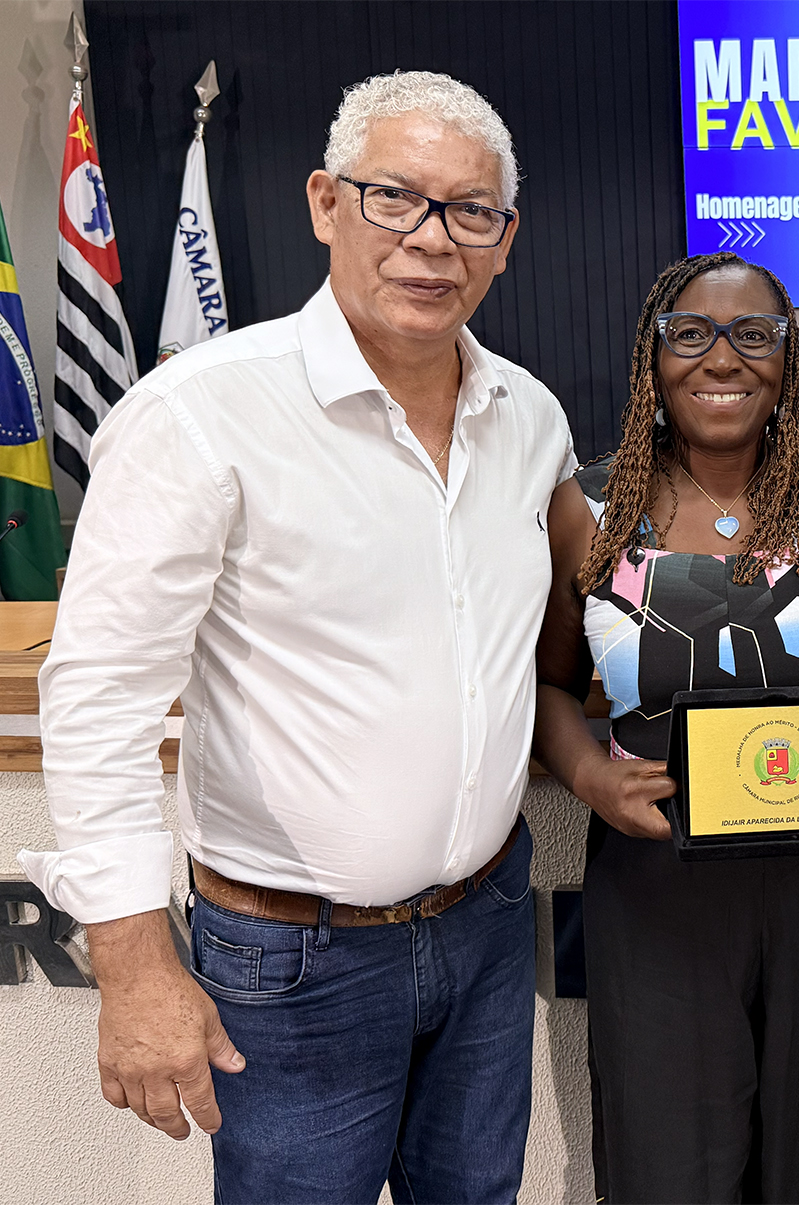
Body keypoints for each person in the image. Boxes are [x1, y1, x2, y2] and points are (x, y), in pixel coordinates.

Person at [18, 71, 573, 1203]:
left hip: (487, 922)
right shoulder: (200, 413)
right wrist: (131, 963)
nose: (432, 238)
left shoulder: (529, 415)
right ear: (326, 202)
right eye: (394, 197)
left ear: (504, 241)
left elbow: (606, 571)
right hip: (291, 960)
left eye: (470, 211)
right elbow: (98, 698)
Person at [532, 250, 799, 1204]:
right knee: (670, 1164)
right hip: (656, 884)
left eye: (753, 334)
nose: (722, 358)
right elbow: (547, 686)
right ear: (653, 356)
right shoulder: (589, 508)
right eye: (691, 333)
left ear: (786, 359)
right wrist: (590, 777)